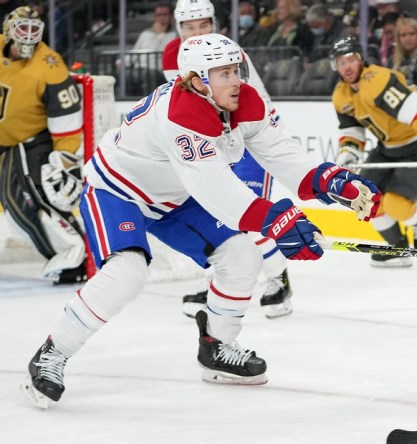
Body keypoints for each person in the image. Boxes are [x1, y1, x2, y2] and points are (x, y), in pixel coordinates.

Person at [20, 33, 382, 410]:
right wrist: (277, 220)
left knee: (242, 255)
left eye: (236, 69)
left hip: (176, 197)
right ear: (197, 80)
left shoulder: (241, 100)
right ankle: (53, 352)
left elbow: (281, 153)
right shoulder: (181, 114)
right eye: (223, 73)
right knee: (127, 272)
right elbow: (218, 192)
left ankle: (217, 346)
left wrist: (332, 180)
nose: (236, 80)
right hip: (119, 191)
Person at [164, 0, 296, 319]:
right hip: (216, 141)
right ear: (179, 28)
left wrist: (270, 144)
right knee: (217, 213)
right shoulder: (175, 55)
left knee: (246, 213)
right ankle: (219, 281)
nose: (197, 32)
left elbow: (249, 105)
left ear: (215, 24)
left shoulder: (230, 53)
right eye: (190, 27)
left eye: (204, 25)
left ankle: (278, 279)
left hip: (250, 137)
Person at [330, 36, 417, 268]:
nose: (346, 66)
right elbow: (352, 131)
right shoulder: (341, 95)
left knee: (397, 205)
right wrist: (349, 155)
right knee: (363, 200)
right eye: (340, 62)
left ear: (361, 59)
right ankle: (398, 248)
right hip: (388, 147)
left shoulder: (377, 81)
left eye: (351, 59)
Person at [0, 6, 87, 285]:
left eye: (33, 30)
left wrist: (65, 159)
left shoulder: (49, 63)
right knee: (13, 206)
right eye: (21, 29)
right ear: (8, 31)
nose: (27, 36)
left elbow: (67, 115)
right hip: (5, 143)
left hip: (31, 142)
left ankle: (78, 255)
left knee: (36, 200)